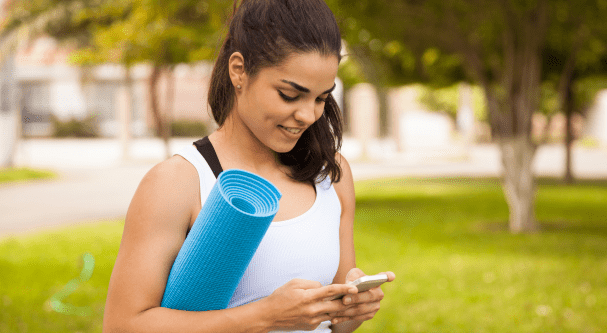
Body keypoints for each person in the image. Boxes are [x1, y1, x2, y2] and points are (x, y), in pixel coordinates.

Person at [102, 0, 395, 332]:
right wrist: (266, 316)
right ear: (239, 70)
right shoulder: (178, 181)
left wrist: (353, 308)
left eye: (320, 98)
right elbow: (122, 325)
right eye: (289, 95)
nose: (308, 115)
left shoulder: (331, 174)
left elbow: (335, 324)